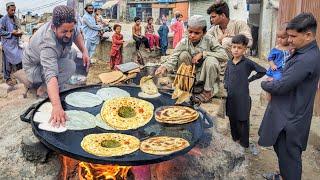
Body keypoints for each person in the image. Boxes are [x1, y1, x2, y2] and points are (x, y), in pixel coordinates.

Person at [258, 13, 320, 180]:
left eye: (293, 36)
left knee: (290, 158)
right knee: (284, 154)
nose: (289, 39)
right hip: (289, 113)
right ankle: (282, 175)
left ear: (308, 35)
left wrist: (265, 84)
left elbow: (281, 85)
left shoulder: (306, 59)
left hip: (291, 119)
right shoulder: (304, 52)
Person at [21, 5, 90, 127]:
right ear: (53, 28)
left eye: (70, 30)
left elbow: (77, 34)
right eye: (64, 31)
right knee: (70, 66)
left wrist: (84, 51)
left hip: (47, 60)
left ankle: (53, 86)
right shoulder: (47, 42)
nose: (69, 35)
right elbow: (51, 74)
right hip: (34, 68)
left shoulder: (68, 27)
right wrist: (57, 107)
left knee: (73, 52)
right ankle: (44, 88)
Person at [155, 15, 228, 103]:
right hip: (190, 74)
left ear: (204, 33)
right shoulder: (184, 41)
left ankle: (207, 92)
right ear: (187, 30)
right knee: (183, 55)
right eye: (190, 32)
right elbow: (174, 56)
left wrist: (203, 54)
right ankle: (185, 86)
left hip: (205, 75)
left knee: (212, 61)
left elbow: (224, 56)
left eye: (197, 33)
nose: (192, 35)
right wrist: (165, 67)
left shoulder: (209, 39)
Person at [224, 34, 266, 148]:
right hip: (231, 97)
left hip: (243, 97)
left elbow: (262, 71)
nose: (236, 50)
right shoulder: (229, 62)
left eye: (239, 47)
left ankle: (243, 143)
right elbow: (226, 77)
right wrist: (225, 87)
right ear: (231, 48)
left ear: (245, 49)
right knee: (232, 118)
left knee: (242, 119)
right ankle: (235, 139)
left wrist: (250, 79)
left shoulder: (247, 63)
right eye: (234, 47)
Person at [0, 2, 23, 86]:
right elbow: (1, 31)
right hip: (7, 44)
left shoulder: (16, 18)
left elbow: (18, 28)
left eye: (14, 10)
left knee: (20, 59)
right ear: (7, 10)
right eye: (11, 10)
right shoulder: (3, 20)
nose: (13, 12)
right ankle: (7, 78)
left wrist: (20, 33)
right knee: (7, 62)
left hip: (15, 43)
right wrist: (11, 33)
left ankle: (19, 76)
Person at [265, 27, 291, 100]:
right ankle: (268, 91)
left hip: (286, 69)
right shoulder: (276, 49)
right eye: (278, 37)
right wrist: (272, 65)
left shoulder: (291, 48)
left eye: (282, 38)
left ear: (289, 37)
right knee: (276, 79)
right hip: (277, 69)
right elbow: (270, 58)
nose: (279, 39)